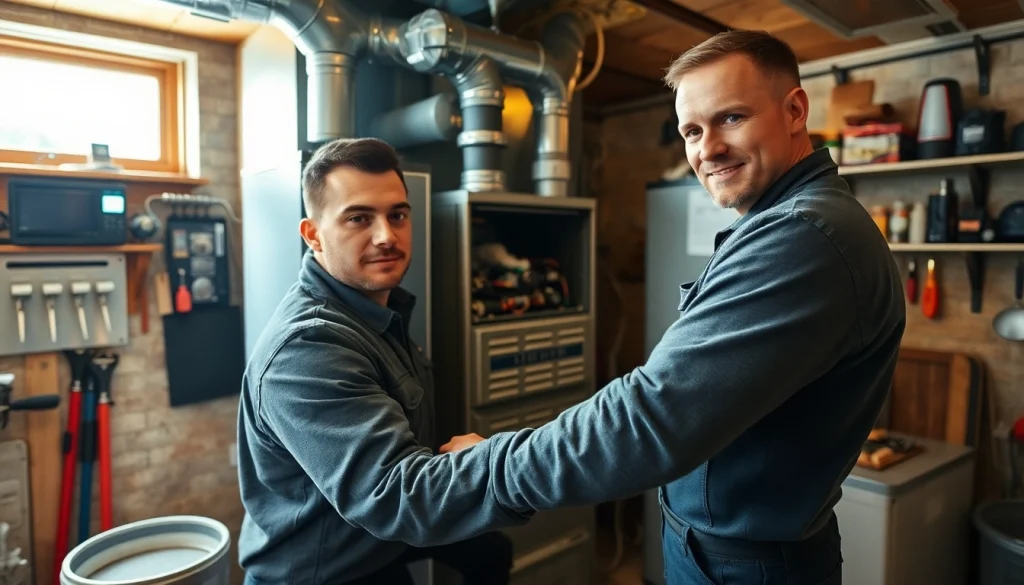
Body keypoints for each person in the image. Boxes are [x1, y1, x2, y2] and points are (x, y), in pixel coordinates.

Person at [434, 30, 906, 583]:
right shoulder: (786, 223)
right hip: (729, 550)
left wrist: (491, 468)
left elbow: (653, 416)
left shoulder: (802, 235)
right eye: (692, 131)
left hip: (745, 566)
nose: (707, 149)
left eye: (731, 118)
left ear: (795, 110)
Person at [235, 137, 513, 585]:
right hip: (323, 571)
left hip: (374, 544)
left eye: (397, 215)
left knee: (491, 552)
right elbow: (394, 495)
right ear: (313, 235)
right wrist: (500, 467)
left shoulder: (377, 311)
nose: (386, 235)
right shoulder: (308, 349)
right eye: (359, 218)